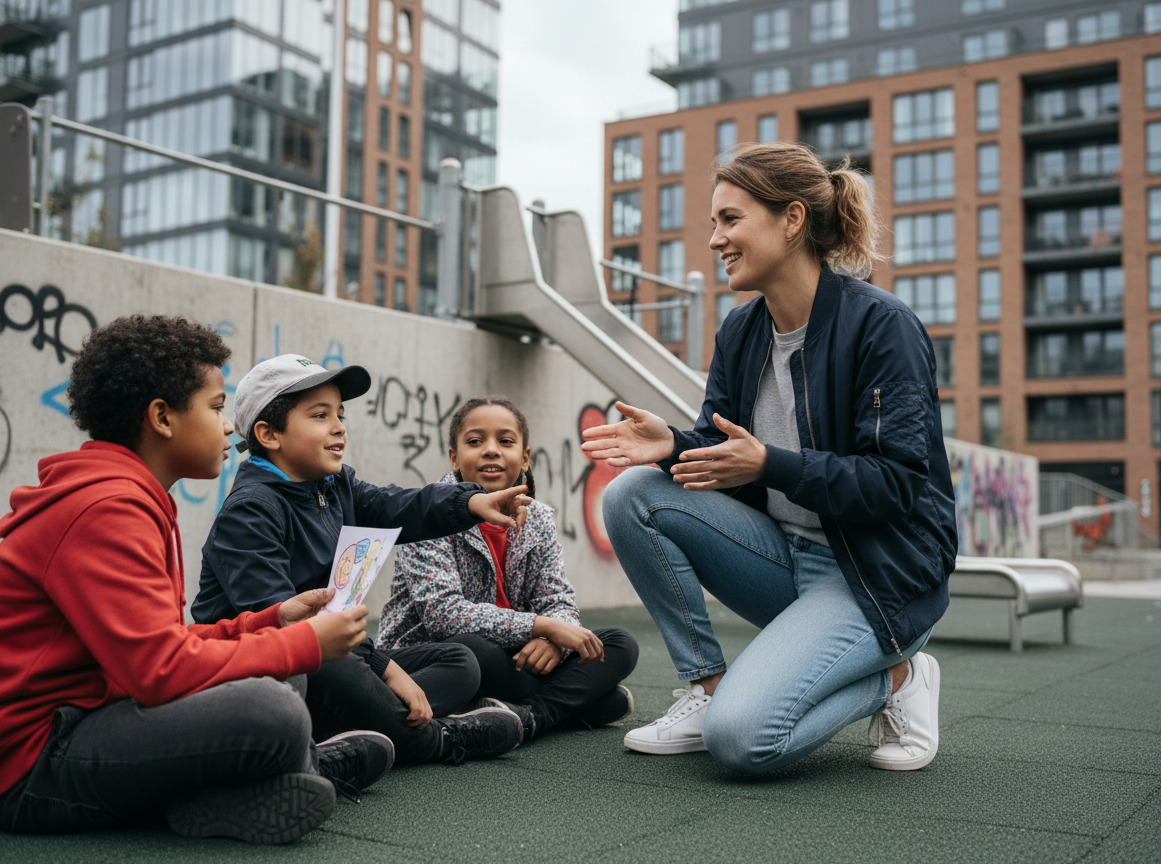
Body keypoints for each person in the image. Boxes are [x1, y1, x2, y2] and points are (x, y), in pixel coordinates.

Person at [581, 142, 958, 776]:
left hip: (875, 578)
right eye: (713, 223)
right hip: (782, 558)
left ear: (791, 219)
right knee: (631, 495)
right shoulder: (741, 330)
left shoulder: (882, 327)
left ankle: (898, 679)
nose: (714, 239)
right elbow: (726, 452)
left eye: (730, 220)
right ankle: (704, 688)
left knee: (743, 742)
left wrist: (770, 466)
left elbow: (896, 486)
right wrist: (674, 444)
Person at [0, 315, 394, 844]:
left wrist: (271, 620)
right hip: (31, 765)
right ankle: (293, 771)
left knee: (282, 674)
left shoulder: (129, 496)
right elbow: (158, 671)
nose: (228, 424)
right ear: (162, 418)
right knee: (271, 709)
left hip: (92, 714)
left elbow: (164, 645)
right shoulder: (106, 509)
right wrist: (301, 642)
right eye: (214, 408)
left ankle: (259, 780)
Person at [193, 355, 529, 766]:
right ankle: (439, 740)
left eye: (340, 414)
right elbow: (288, 627)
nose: (338, 427)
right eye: (320, 415)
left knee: (460, 660)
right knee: (330, 664)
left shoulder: (335, 485)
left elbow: (399, 506)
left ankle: (356, 725)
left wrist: (471, 500)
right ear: (268, 434)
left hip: (337, 654)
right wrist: (385, 669)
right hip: (274, 670)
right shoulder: (250, 512)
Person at [377, 397, 639, 741]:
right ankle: (573, 701)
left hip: (513, 654)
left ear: (525, 457)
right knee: (476, 651)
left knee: (619, 643)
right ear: (454, 458)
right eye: (474, 442)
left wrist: (554, 642)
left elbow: (557, 598)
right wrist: (540, 627)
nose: (490, 451)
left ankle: (530, 716)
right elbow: (443, 614)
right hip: (442, 655)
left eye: (505, 441)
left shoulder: (539, 517)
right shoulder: (429, 513)